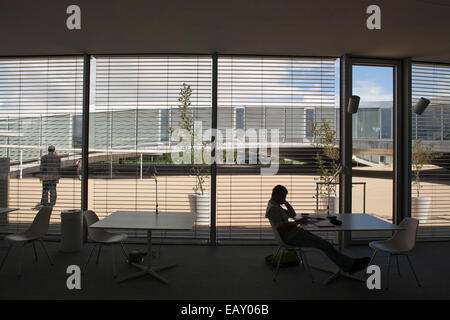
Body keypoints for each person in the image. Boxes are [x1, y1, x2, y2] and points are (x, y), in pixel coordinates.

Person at [266, 185, 370, 274]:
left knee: (324, 244)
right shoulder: (274, 209)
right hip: (290, 237)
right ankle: (349, 266)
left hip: (294, 233)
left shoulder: (276, 205)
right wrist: (298, 222)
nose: (284, 198)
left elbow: (292, 214)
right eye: (283, 196)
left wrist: (286, 203)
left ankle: (348, 264)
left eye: (285, 196)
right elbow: (280, 229)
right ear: (276, 194)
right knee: (325, 245)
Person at [34, 145, 61, 209]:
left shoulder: (44, 157)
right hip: (54, 177)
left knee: (45, 190)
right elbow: (58, 168)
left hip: (46, 177)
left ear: (48, 150)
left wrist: (41, 176)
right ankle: (52, 203)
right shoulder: (57, 158)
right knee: (53, 190)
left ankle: (45, 202)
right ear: (54, 150)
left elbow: (42, 168)